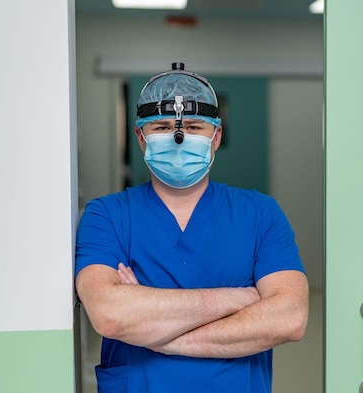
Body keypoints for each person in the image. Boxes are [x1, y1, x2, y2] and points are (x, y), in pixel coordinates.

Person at [75, 62, 309, 393]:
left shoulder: (260, 214)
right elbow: (110, 315)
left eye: (195, 127)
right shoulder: (107, 215)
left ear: (216, 137)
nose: (179, 139)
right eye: (162, 127)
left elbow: (289, 318)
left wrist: (159, 334)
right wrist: (238, 299)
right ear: (141, 138)